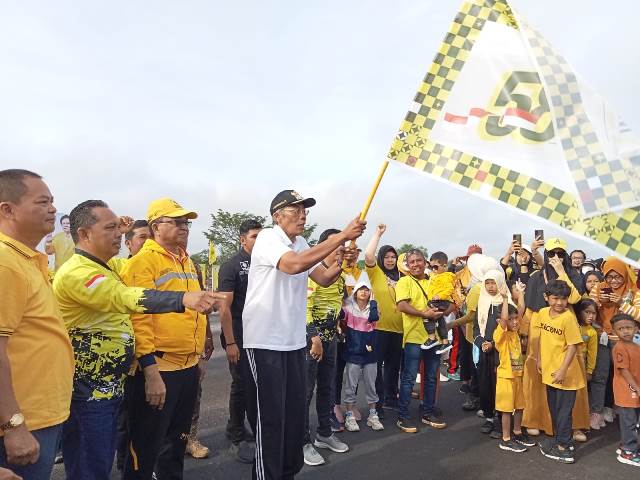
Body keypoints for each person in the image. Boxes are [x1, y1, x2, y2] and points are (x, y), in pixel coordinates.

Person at [52, 200, 221, 480]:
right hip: (90, 391)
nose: (118, 233)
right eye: (110, 228)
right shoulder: (78, 272)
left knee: (165, 444)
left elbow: (125, 273)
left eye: (185, 223)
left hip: (115, 383)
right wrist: (182, 299)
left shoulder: (111, 266)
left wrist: (197, 354)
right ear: (83, 234)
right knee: (102, 462)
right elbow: (127, 298)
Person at [242, 189, 365, 480]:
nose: (302, 214)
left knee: (294, 417)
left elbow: (322, 278)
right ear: (277, 216)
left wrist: (341, 263)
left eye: (305, 210)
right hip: (265, 342)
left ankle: (286, 473)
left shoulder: (300, 242)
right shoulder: (270, 239)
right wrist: (341, 236)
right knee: (271, 420)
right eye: (295, 209)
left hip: (293, 342)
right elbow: (293, 265)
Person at [120, 197, 218, 480]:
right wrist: (150, 370)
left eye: (186, 222)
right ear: (155, 226)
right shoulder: (142, 262)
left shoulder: (186, 260)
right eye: (175, 221)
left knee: (176, 442)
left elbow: (195, 313)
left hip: (186, 367)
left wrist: (198, 356)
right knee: (145, 447)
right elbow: (139, 318)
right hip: (158, 370)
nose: (184, 227)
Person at [0, 169, 75, 479]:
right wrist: (13, 424)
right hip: (21, 421)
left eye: (53, 201)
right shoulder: (6, 262)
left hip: (39, 415)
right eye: (42, 202)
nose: (53, 209)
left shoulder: (26, 260)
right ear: (7, 209)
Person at [522, 237, 584, 437]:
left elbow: (574, 298)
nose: (555, 257)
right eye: (551, 254)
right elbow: (531, 307)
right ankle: (537, 420)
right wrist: (526, 334)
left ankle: (572, 426)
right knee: (539, 376)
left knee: (569, 376)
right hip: (541, 329)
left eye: (560, 253)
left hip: (565, 331)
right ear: (546, 255)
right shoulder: (535, 277)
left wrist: (561, 272)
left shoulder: (573, 274)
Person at [303, 228, 354, 467]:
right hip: (310, 341)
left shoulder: (339, 275)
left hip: (331, 339)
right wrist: (314, 338)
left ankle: (324, 433)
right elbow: (305, 307)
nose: (340, 253)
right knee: (305, 392)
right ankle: (301, 441)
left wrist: (336, 329)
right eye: (336, 248)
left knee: (327, 388)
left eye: (342, 249)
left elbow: (337, 304)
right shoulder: (313, 273)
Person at [218, 219, 262, 464]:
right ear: (242, 239)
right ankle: (236, 435)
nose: (259, 240)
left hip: (259, 334)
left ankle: (236, 425)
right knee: (241, 384)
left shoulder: (265, 263)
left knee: (254, 385)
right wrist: (231, 342)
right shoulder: (232, 266)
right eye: (254, 236)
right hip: (238, 334)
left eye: (261, 236)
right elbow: (224, 307)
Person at [395, 249, 447, 433]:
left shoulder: (434, 281)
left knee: (432, 376)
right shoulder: (404, 281)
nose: (416, 264)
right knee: (409, 378)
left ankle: (428, 411)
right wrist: (424, 313)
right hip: (414, 337)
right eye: (412, 262)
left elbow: (446, 302)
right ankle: (403, 416)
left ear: (425, 262)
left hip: (434, 338)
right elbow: (401, 305)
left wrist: (442, 311)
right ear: (407, 265)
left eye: (419, 260)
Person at [537, 280, 585, 464]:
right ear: (546, 298)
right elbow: (543, 337)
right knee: (555, 410)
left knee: (564, 411)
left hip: (567, 374)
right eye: (555, 298)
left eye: (563, 299)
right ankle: (560, 440)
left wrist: (563, 370)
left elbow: (573, 346)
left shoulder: (568, 318)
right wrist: (541, 359)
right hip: (550, 371)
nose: (559, 303)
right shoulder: (542, 313)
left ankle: (564, 448)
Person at [588, 257, 639, 430]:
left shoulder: (634, 291)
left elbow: (638, 316)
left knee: (623, 377)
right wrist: (598, 303)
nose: (614, 281)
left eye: (618, 277)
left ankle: (619, 408)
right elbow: (587, 310)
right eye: (610, 277)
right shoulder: (598, 288)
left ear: (625, 275)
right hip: (602, 338)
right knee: (600, 376)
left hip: (626, 342)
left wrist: (621, 302)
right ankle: (596, 412)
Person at [364, 224, 404, 416]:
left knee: (393, 367)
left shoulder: (403, 277)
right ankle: (376, 403)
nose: (390, 260)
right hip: (379, 328)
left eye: (393, 257)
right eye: (387, 257)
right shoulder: (376, 273)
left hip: (399, 329)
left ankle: (391, 398)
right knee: (376, 368)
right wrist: (377, 234)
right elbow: (368, 256)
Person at [494, 280, 534, 452]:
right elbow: (504, 319)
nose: (515, 322)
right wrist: (504, 299)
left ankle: (517, 432)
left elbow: (521, 309)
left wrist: (521, 292)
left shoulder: (515, 331)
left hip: (518, 375)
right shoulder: (500, 334)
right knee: (506, 409)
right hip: (506, 377)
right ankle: (506, 437)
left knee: (519, 406)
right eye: (511, 320)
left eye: (516, 319)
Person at [474, 269, 514, 439]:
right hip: (485, 352)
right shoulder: (481, 302)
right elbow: (476, 328)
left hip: (501, 353)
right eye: (487, 283)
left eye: (493, 283)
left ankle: (501, 420)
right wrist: (481, 342)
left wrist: (493, 344)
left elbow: (510, 329)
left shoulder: (507, 304)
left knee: (501, 387)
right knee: (485, 385)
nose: (491, 287)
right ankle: (489, 417)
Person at [341, 276, 383, 432]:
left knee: (371, 385)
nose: (364, 292)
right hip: (353, 352)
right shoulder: (348, 307)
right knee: (351, 385)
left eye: (367, 289)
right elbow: (340, 316)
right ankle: (349, 416)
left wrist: (373, 302)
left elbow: (374, 318)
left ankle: (373, 415)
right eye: (361, 289)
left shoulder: (374, 307)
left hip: (370, 351)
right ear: (356, 291)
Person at [610, 313, 640, 467]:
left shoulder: (636, 346)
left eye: (628, 327)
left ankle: (626, 445)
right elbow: (624, 371)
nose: (625, 331)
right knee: (629, 421)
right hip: (626, 390)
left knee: (634, 420)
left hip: (635, 389)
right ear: (614, 332)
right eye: (621, 329)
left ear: (636, 328)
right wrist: (636, 388)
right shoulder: (619, 348)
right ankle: (628, 451)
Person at [573, 299, 598, 441]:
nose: (591, 316)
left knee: (580, 398)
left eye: (593, 313)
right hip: (568, 366)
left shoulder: (592, 332)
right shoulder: (573, 325)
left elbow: (592, 354)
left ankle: (577, 426)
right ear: (579, 312)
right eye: (587, 312)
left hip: (582, 369)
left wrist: (589, 371)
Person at [422, 251, 455, 354]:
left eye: (435, 267)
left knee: (427, 314)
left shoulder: (446, 276)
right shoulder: (434, 275)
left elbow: (449, 289)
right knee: (440, 321)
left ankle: (432, 337)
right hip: (437, 300)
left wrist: (440, 296)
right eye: (431, 267)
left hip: (441, 300)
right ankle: (445, 341)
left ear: (444, 266)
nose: (433, 269)